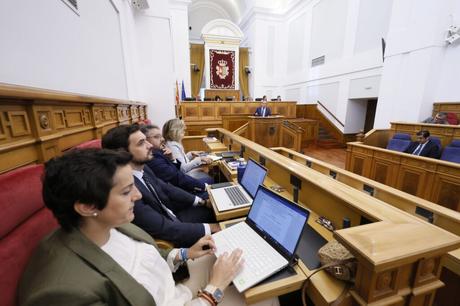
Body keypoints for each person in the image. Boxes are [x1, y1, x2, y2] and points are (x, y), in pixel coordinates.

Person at [18, 148, 268, 306]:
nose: (138, 196)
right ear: (86, 206)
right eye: (127, 191)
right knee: (265, 296)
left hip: (176, 288)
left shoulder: (106, 226)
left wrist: (185, 254)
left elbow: (146, 255)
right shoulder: (65, 293)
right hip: (187, 297)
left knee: (250, 265)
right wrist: (213, 290)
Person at [102, 124, 219, 247]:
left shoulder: (144, 168)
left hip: (173, 215)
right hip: (172, 236)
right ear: (123, 152)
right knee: (224, 217)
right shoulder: (126, 189)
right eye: (141, 143)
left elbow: (167, 189)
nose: (150, 145)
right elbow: (164, 229)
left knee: (217, 201)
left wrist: (202, 202)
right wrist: (212, 228)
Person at [141, 124, 208, 198]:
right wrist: (205, 187)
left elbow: (176, 171)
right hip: (179, 192)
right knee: (210, 182)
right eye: (157, 137)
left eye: (161, 136)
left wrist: (172, 159)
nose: (162, 139)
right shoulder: (153, 158)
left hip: (180, 185)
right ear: (145, 141)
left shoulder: (160, 151)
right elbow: (177, 175)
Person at [163, 118, 214, 184]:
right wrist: (199, 160)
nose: (184, 132)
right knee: (210, 179)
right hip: (183, 177)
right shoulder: (173, 147)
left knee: (206, 172)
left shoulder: (173, 143)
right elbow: (183, 169)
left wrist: (190, 154)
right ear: (175, 131)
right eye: (182, 130)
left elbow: (181, 161)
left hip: (184, 174)